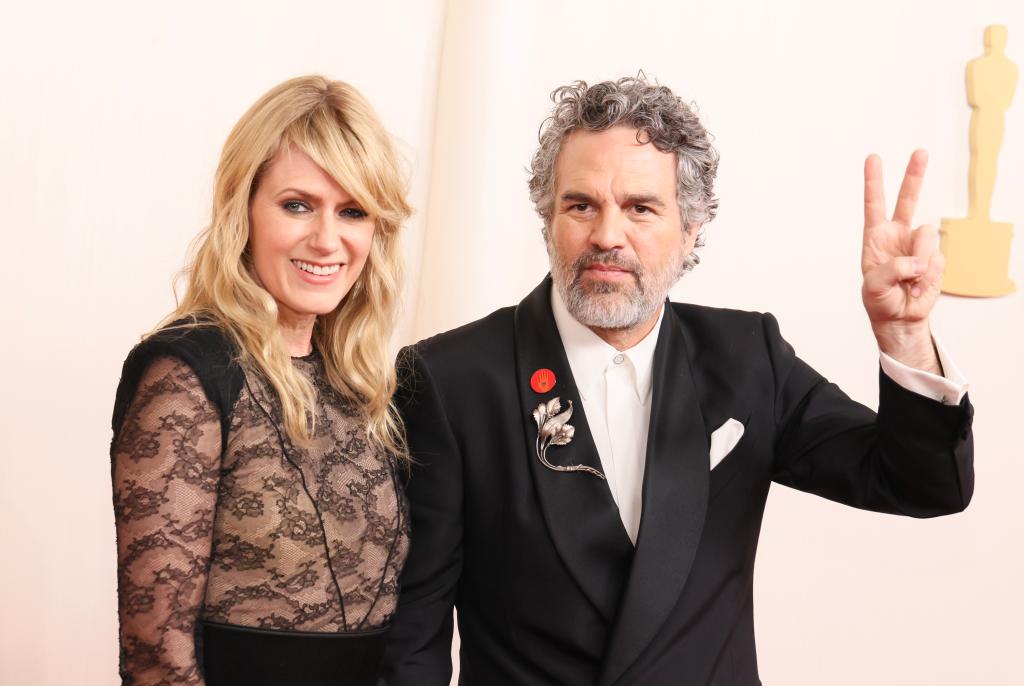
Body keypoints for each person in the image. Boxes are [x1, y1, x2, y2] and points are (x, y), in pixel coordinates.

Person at [381, 77, 974, 686]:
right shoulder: (450, 379)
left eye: (640, 207)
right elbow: (412, 640)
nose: (607, 235)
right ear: (547, 218)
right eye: (581, 204)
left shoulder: (748, 358)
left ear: (690, 228)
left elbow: (921, 486)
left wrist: (903, 335)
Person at [110, 75, 411, 686]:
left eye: (352, 211)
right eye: (297, 204)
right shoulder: (187, 373)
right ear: (243, 207)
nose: (327, 240)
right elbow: (155, 657)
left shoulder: (362, 384)